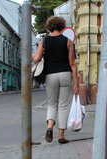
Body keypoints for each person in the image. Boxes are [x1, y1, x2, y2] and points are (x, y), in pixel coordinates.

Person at [33, 16, 80, 144]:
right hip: (65, 74)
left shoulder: (45, 41)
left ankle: (49, 127)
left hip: (50, 75)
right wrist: (77, 83)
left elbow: (36, 58)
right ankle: (61, 136)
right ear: (62, 26)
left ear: (49, 27)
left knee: (52, 104)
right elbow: (73, 64)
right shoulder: (68, 41)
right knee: (63, 105)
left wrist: (38, 49)